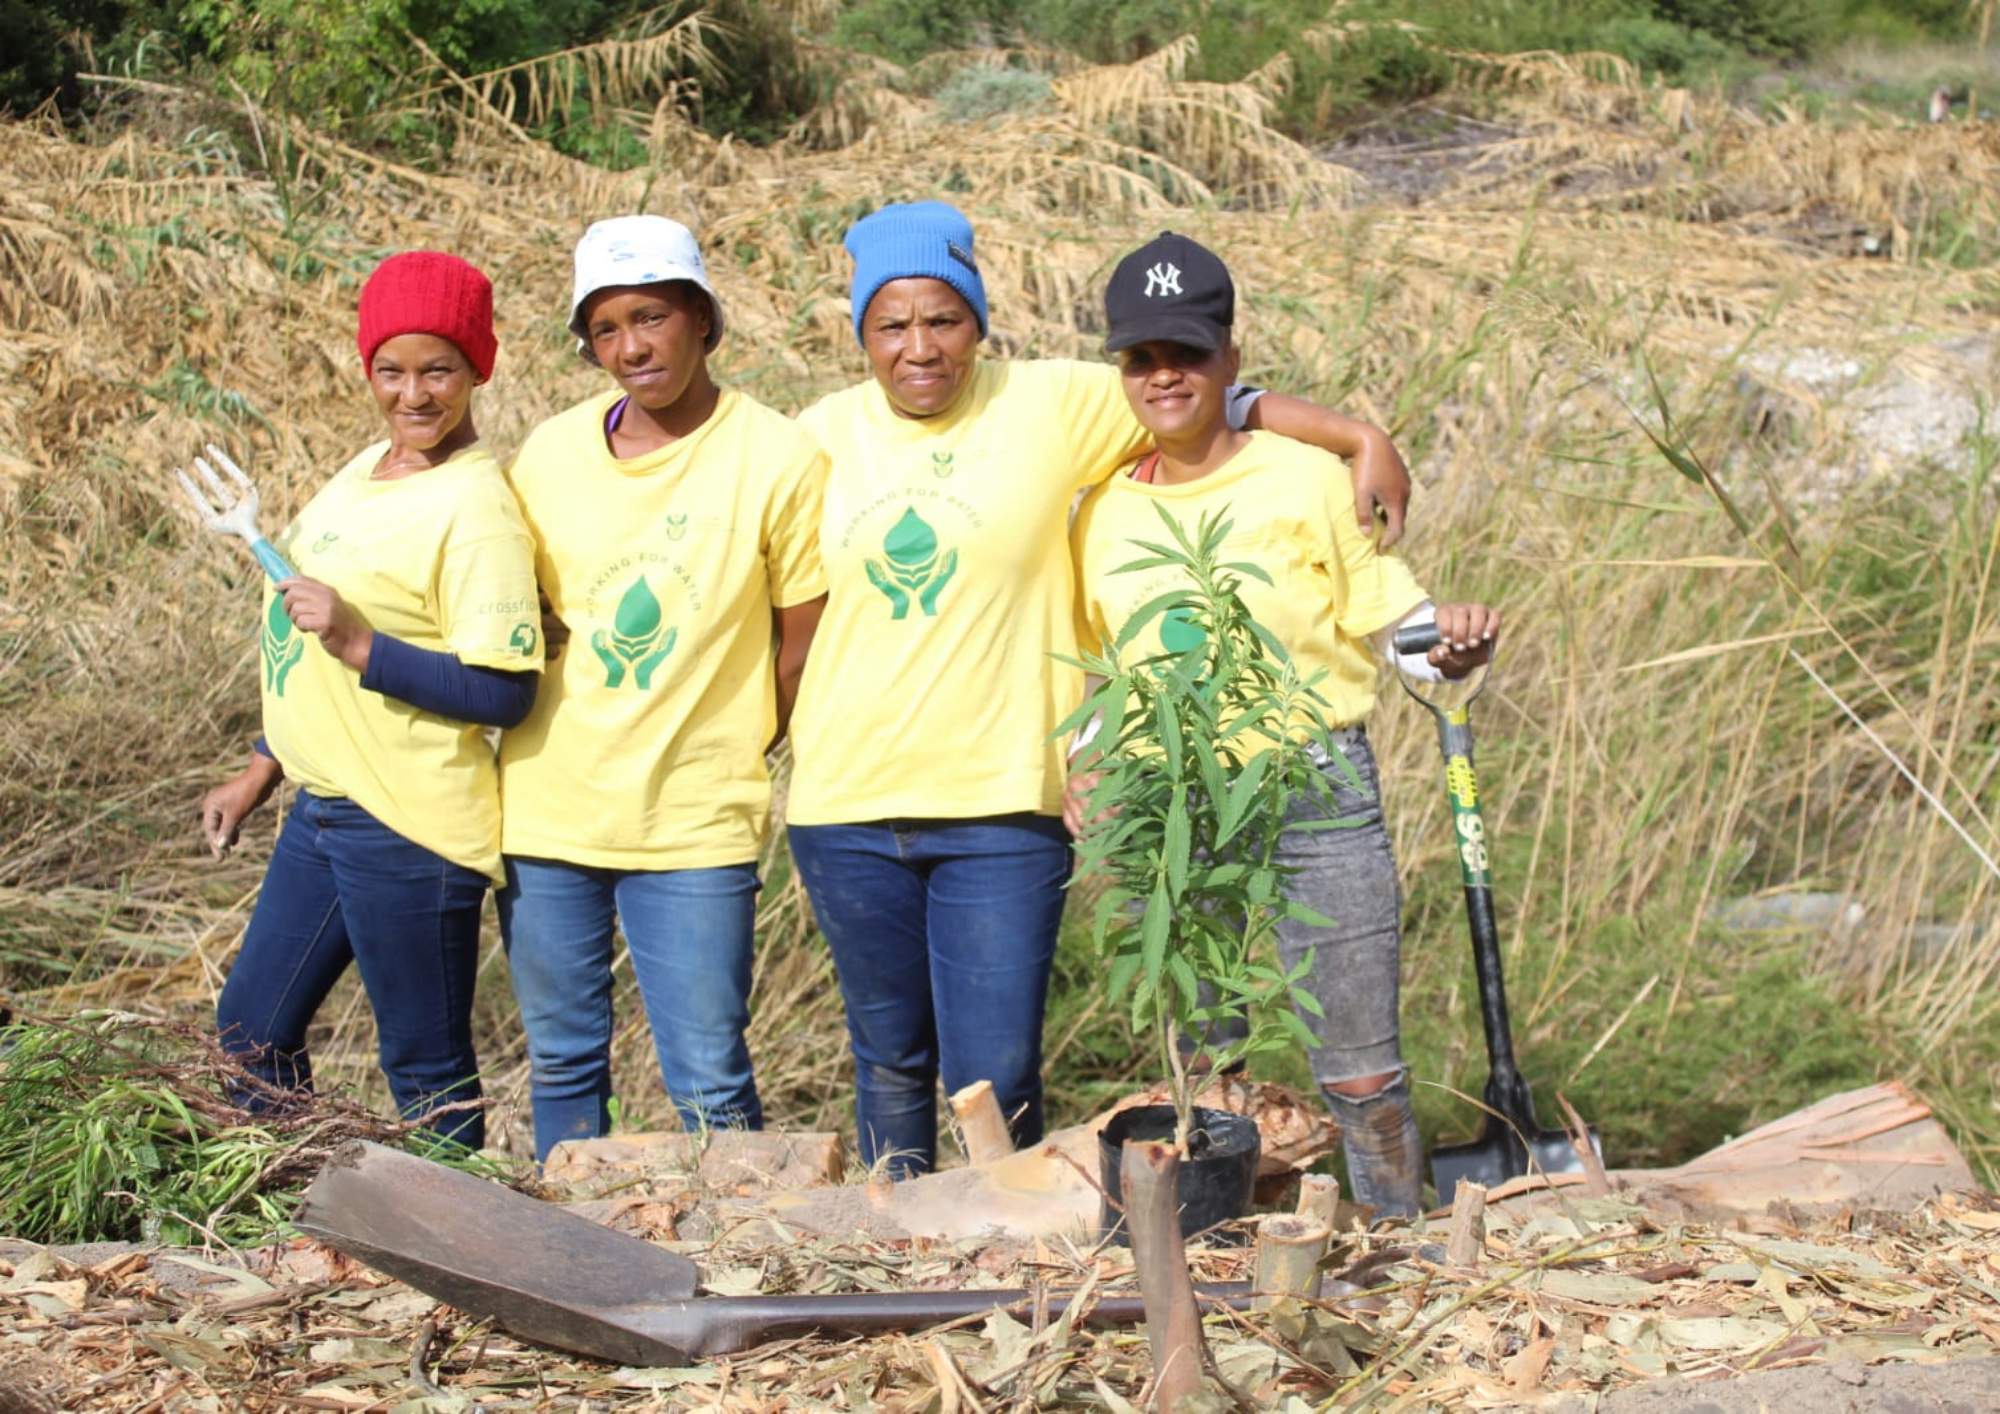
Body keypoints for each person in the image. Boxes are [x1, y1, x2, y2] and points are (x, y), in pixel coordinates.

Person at [783, 200, 1415, 1178]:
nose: (918, 345)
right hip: (848, 795)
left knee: (996, 1069)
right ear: (858, 330)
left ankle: (1016, 1243)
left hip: (1003, 796)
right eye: (890, 323)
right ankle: (903, 1250)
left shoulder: (1049, 401)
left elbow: (1201, 398)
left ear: (978, 320)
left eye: (942, 317)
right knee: (890, 1064)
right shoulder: (814, 434)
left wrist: (1353, 434)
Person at [1068, 231, 1498, 1218]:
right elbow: (1102, 669)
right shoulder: (1095, 511)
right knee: (1199, 1067)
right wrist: (1082, 766)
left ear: (1228, 358)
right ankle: (1213, 1258)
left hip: (1314, 785)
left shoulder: (1303, 475)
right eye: (1141, 358)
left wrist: (1450, 642)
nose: (1163, 375)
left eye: (1185, 352)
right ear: (1120, 371)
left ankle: (1397, 1253)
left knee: (1357, 1067)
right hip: (1170, 801)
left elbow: (1389, 624)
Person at [498, 215, 829, 1163]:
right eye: (604, 330)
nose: (631, 348)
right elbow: (520, 603)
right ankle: (572, 1259)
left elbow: (799, 635)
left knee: (709, 1077)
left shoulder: (775, 456)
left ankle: (736, 1266)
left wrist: (736, 737)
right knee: (563, 1062)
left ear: (703, 320)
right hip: (547, 809)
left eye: (650, 318)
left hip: (694, 817)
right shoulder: (552, 453)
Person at [205, 251, 543, 1151]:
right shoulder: (368, 469)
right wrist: (259, 769)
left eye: (439, 369)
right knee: (247, 1036)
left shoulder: (478, 506)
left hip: (410, 821)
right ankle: (309, 1209)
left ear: (480, 366)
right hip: (324, 807)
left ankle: (461, 1261)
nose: (415, 394)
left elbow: (504, 692)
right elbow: (299, 642)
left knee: (424, 1067)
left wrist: (360, 641)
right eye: (392, 371)